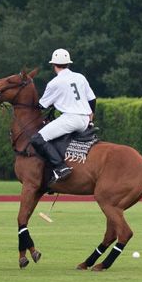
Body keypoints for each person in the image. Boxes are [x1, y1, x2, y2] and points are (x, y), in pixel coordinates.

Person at [27, 48, 96, 182]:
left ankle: (60, 167)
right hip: (85, 120)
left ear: (53, 65)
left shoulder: (54, 83)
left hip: (70, 119)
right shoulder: (80, 77)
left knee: (37, 139)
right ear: (68, 63)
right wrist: (91, 116)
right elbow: (92, 99)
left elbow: (41, 106)